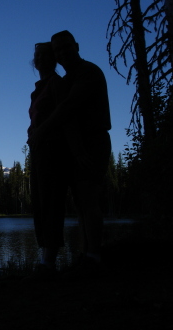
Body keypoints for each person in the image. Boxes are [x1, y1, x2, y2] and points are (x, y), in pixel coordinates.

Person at [30, 30, 112, 271]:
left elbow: (67, 109)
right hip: (77, 145)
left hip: (92, 142)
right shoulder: (66, 79)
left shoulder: (87, 72)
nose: (63, 53)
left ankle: (93, 256)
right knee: (81, 202)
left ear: (76, 46)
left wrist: (41, 132)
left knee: (88, 199)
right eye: (58, 50)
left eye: (66, 47)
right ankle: (86, 256)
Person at [27, 42, 71, 276]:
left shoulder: (56, 84)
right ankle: (46, 260)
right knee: (41, 203)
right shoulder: (39, 88)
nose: (41, 60)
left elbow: (63, 116)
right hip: (39, 152)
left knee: (52, 202)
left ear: (53, 59)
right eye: (38, 56)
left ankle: (49, 262)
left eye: (46, 56)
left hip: (54, 152)